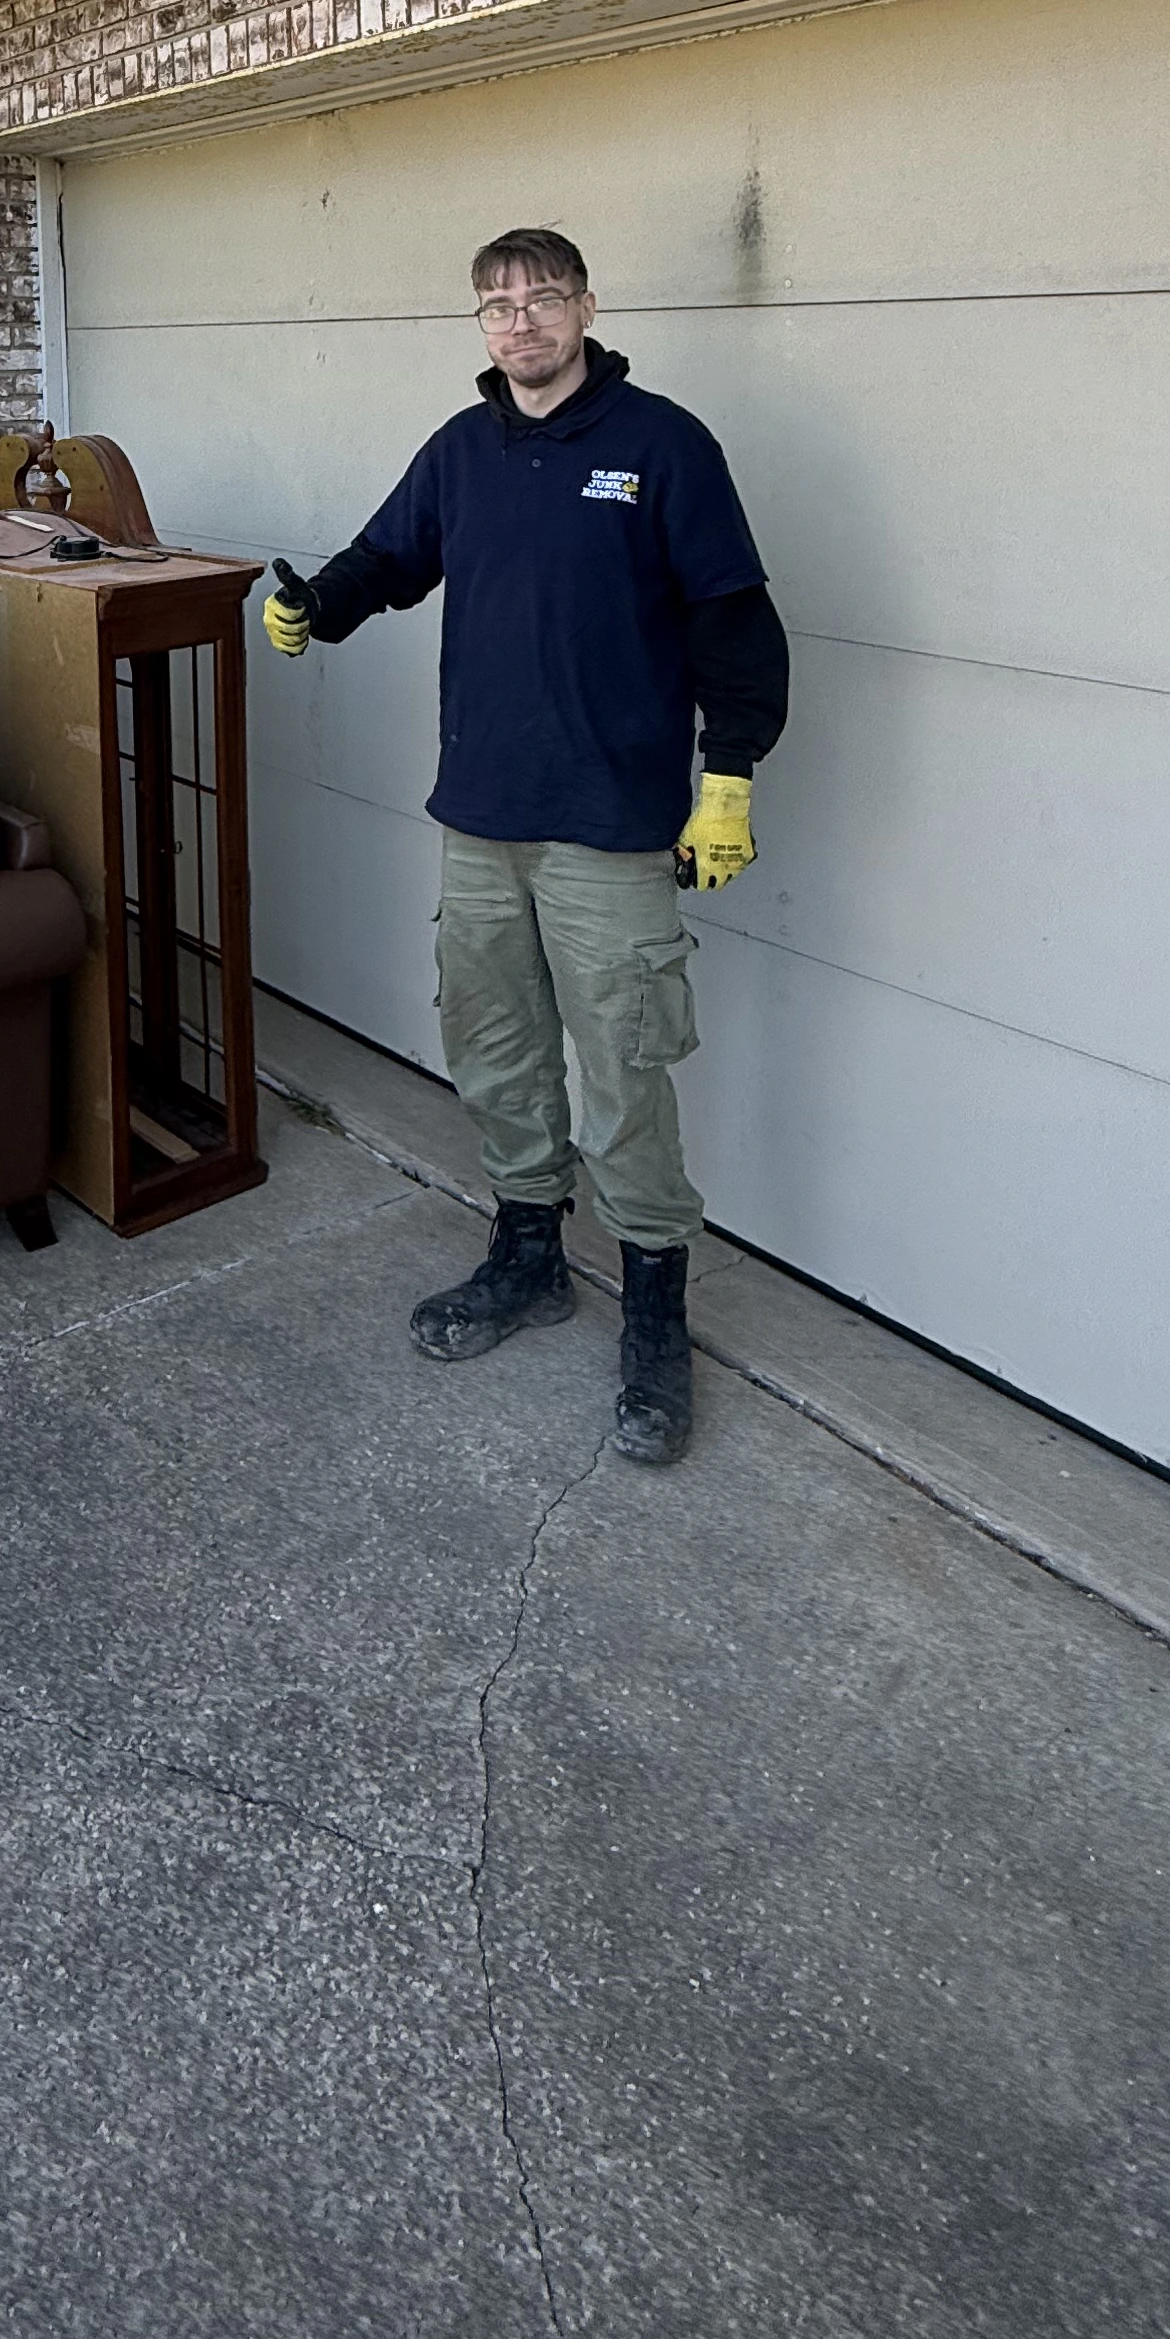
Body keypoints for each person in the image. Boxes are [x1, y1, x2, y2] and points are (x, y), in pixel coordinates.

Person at [264, 227, 788, 1463]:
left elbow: (734, 624)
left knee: (625, 1066)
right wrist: (318, 605)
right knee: (494, 1049)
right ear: (480, 325)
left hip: (611, 825)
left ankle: (654, 1303)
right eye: (497, 306)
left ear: (586, 307)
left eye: (542, 298)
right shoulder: (462, 450)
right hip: (481, 815)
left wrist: (729, 777)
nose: (520, 323)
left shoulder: (663, 445)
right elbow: (390, 558)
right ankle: (529, 1254)